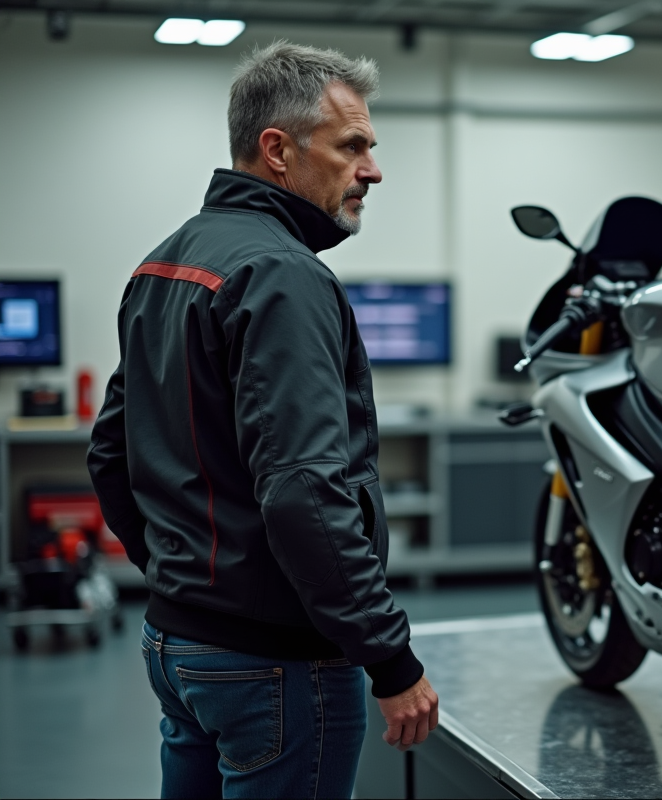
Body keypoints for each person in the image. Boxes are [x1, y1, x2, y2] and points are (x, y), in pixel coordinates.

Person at [87, 41, 438, 799]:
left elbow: (111, 452)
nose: (372, 170)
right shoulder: (282, 276)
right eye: (352, 147)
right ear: (277, 150)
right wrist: (391, 659)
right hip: (276, 665)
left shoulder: (165, 261)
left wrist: (183, 581)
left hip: (179, 644)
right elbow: (306, 491)